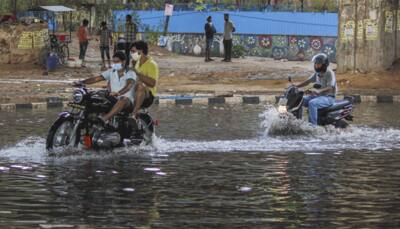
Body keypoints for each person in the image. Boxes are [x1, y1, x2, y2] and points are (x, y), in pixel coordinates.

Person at [73, 51, 136, 123]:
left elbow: (129, 86)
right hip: (113, 98)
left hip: (128, 101)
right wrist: (81, 82)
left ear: (124, 62)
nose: (115, 64)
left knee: (123, 99)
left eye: (117, 62)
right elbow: (96, 79)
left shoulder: (130, 72)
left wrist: (118, 93)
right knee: (94, 96)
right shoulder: (111, 71)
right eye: (114, 62)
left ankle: (104, 119)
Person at [294, 53, 337, 125]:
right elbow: (307, 81)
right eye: (315, 63)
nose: (316, 65)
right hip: (318, 96)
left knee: (312, 103)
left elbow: (331, 87)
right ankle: (297, 122)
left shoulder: (329, 73)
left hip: (328, 97)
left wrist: (318, 91)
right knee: (300, 99)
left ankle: (313, 126)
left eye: (318, 64)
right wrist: (295, 86)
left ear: (324, 64)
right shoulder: (317, 73)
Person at [130, 41, 159, 118]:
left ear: (140, 51)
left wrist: (137, 73)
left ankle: (134, 113)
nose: (131, 53)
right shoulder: (136, 62)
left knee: (141, 86)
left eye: (133, 51)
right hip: (134, 92)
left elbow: (152, 83)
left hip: (147, 96)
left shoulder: (152, 64)